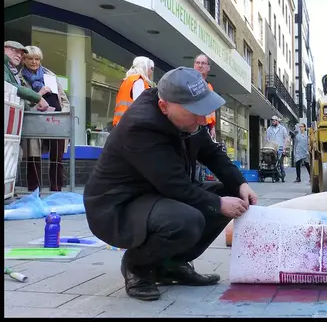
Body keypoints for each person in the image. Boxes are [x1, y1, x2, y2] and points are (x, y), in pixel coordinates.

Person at [83, 67, 258, 301]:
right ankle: (137, 266)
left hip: (156, 195)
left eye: (203, 110)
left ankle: (171, 264)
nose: (201, 119)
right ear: (165, 106)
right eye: (194, 112)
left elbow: (212, 153)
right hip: (119, 205)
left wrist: (240, 185)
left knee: (231, 196)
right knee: (188, 219)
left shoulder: (187, 119)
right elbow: (174, 184)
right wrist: (217, 203)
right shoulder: (141, 127)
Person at [21, 45, 71, 192]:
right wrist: (39, 94)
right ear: (24, 59)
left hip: (56, 120)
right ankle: (34, 192)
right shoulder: (20, 78)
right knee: (33, 156)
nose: (34, 62)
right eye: (30, 59)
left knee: (57, 157)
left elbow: (64, 100)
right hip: (34, 120)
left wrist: (63, 114)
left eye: (37, 59)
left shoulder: (50, 75)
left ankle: (56, 190)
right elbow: (23, 103)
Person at [4, 41, 49, 111]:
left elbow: (63, 99)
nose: (19, 55)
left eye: (21, 54)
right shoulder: (19, 76)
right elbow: (9, 85)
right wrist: (38, 96)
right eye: (15, 51)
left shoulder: (49, 75)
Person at [112, 56, 155, 127]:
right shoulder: (139, 80)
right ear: (145, 67)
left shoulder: (128, 80)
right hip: (132, 124)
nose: (152, 72)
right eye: (151, 68)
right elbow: (141, 104)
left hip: (122, 123)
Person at [193, 54, 217, 140]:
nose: (200, 65)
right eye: (197, 63)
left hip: (206, 127)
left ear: (208, 67)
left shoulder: (209, 86)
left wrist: (212, 127)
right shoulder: (188, 82)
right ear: (194, 65)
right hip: (193, 125)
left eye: (203, 63)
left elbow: (211, 110)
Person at [266, 116, 289, 180]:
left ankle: (282, 173)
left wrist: (284, 147)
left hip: (280, 147)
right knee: (273, 161)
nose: (273, 122)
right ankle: (276, 175)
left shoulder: (282, 128)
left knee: (280, 161)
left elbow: (286, 138)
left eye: (274, 121)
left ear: (277, 121)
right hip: (272, 148)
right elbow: (267, 138)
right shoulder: (269, 129)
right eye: (272, 121)